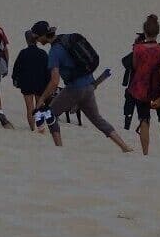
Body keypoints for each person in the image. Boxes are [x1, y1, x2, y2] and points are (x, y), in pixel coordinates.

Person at [28, 22, 132, 152]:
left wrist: (42, 99)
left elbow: (55, 82)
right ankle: (124, 147)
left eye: (37, 37)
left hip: (74, 89)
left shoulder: (54, 52)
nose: (36, 40)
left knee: (51, 115)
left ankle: (58, 148)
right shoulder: (67, 39)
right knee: (98, 120)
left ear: (44, 36)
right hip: (89, 85)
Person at [123, 15, 160, 157]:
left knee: (144, 120)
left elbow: (135, 65)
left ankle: (146, 154)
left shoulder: (138, 48)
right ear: (157, 32)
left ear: (145, 32)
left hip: (141, 89)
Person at [9, 25, 55, 134]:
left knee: (29, 108)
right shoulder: (43, 54)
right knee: (39, 106)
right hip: (40, 84)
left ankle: (32, 128)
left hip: (27, 83)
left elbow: (17, 69)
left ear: (26, 40)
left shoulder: (23, 53)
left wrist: (16, 80)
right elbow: (48, 71)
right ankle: (40, 129)